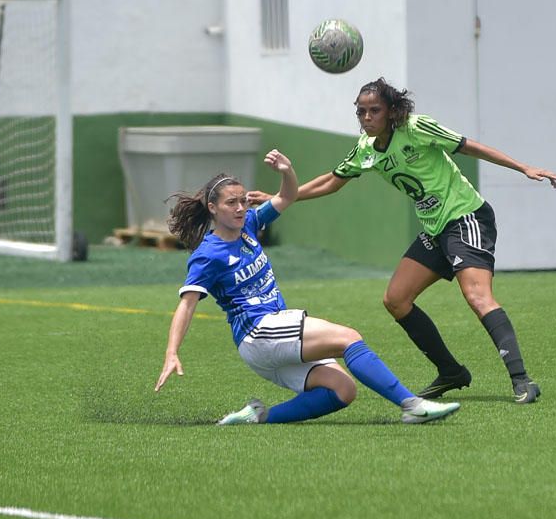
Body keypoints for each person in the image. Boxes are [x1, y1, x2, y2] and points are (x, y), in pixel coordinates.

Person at [248, 78, 556, 404]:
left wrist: (523, 167)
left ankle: (522, 380)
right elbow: (332, 181)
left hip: (466, 217)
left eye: (374, 110)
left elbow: (470, 146)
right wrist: (280, 197)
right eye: (361, 112)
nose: (367, 117)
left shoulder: (416, 128)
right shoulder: (366, 149)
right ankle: (451, 371)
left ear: (392, 111)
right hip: (435, 230)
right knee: (396, 299)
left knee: (477, 296)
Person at [154, 148, 461, 426]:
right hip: (258, 332)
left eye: (243, 200)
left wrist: (287, 171)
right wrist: (172, 352)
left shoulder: (248, 223)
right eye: (231, 203)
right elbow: (187, 304)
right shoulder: (208, 254)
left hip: (271, 333)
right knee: (348, 337)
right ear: (212, 208)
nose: (240, 208)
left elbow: (286, 197)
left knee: (343, 390)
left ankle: (256, 418)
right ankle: (412, 405)